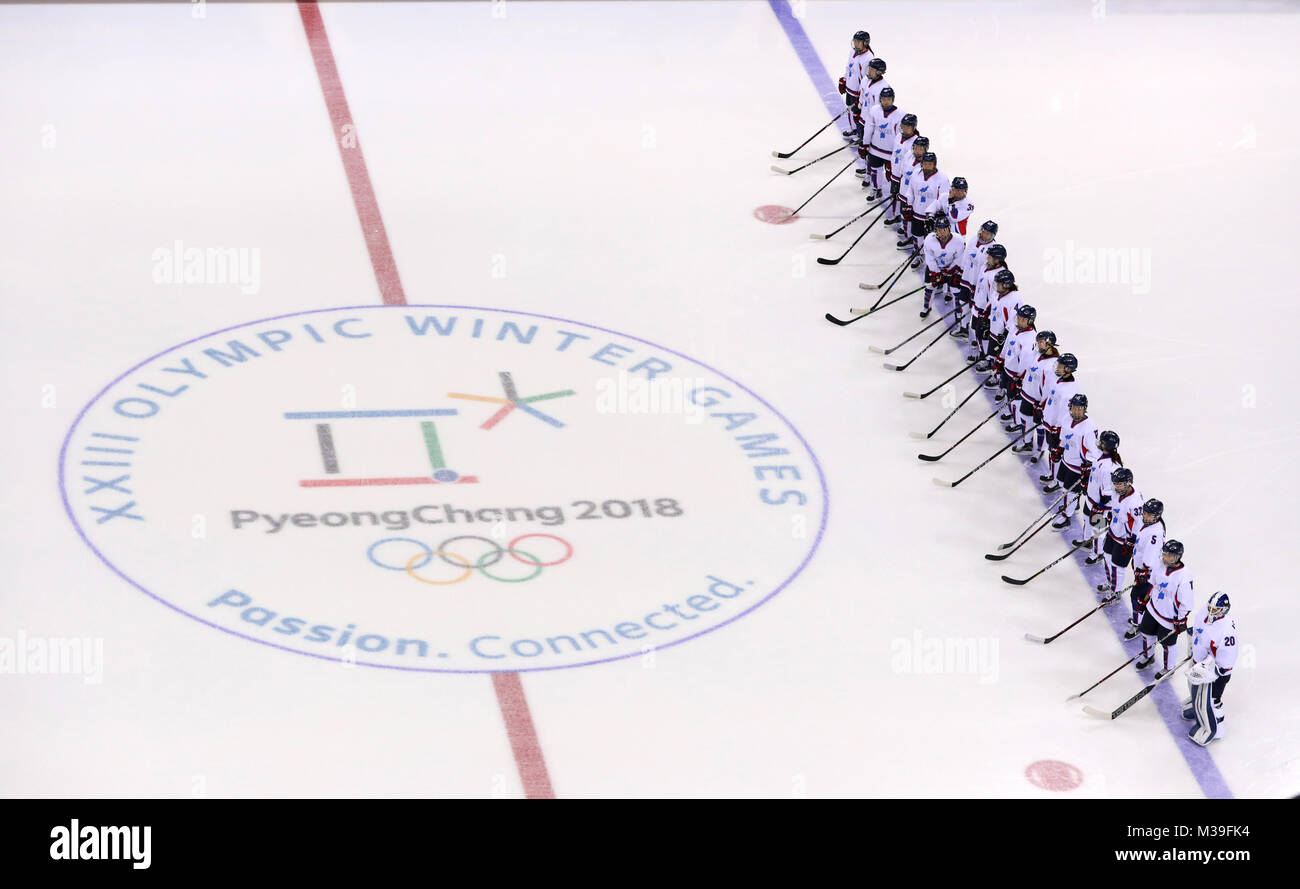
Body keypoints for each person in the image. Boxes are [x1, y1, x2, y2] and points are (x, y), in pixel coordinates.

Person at [1183, 592, 1237, 746]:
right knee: (1195, 690)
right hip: (1198, 664)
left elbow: (1228, 654)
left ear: (1224, 610)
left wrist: (1214, 670)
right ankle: (1198, 711)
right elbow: (1199, 632)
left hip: (1215, 672)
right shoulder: (1203, 613)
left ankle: (1215, 728)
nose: (1211, 612)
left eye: (1215, 610)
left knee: (1213, 700)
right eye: (1210, 608)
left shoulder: (1227, 629)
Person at [1134, 539, 1193, 679]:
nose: (1165, 557)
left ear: (1177, 557)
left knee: (1168, 644)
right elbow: (1152, 584)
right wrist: (1145, 600)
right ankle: (1149, 657)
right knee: (1146, 633)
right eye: (1165, 554)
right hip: (1153, 609)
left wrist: (1181, 619)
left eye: (1169, 555)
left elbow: (1186, 602)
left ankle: (1169, 668)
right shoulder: (1160, 564)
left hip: (1169, 618)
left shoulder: (1184, 576)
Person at [1123, 499, 1166, 635]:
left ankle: (1138, 625)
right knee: (1141, 599)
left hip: (1148, 573)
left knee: (1137, 597)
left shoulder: (1155, 533)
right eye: (1145, 513)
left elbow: (1150, 557)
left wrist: (1144, 572)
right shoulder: (1150, 524)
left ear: (1157, 515)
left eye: (1149, 515)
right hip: (1144, 571)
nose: (1145, 516)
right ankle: (1140, 621)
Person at [1099, 466, 1143, 593]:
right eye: (1115, 484)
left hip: (1125, 539)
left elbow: (1139, 523)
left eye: (1119, 484)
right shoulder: (1117, 492)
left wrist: (1132, 539)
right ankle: (1110, 582)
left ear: (1128, 483)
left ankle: (1115, 592)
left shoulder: (1135, 502)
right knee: (1106, 557)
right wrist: (1109, 516)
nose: (1116, 487)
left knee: (1117, 567)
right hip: (1113, 531)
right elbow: (1115, 507)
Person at [919, 215, 964, 317]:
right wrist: (935, 272)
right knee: (929, 288)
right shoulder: (929, 240)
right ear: (935, 230)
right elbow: (929, 258)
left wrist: (950, 271)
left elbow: (959, 259)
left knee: (956, 290)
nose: (942, 232)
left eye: (944, 229)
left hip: (951, 268)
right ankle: (927, 307)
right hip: (935, 267)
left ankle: (958, 311)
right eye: (939, 230)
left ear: (949, 229)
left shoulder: (958, 241)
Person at [837, 31, 873, 138]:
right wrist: (844, 80)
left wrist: (861, 96)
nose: (856, 44)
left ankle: (859, 133)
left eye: (858, 42)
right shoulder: (853, 52)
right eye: (855, 41)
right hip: (850, 89)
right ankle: (852, 129)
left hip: (857, 93)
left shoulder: (868, 58)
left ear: (865, 43)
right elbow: (849, 67)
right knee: (850, 109)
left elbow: (866, 81)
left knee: (858, 114)